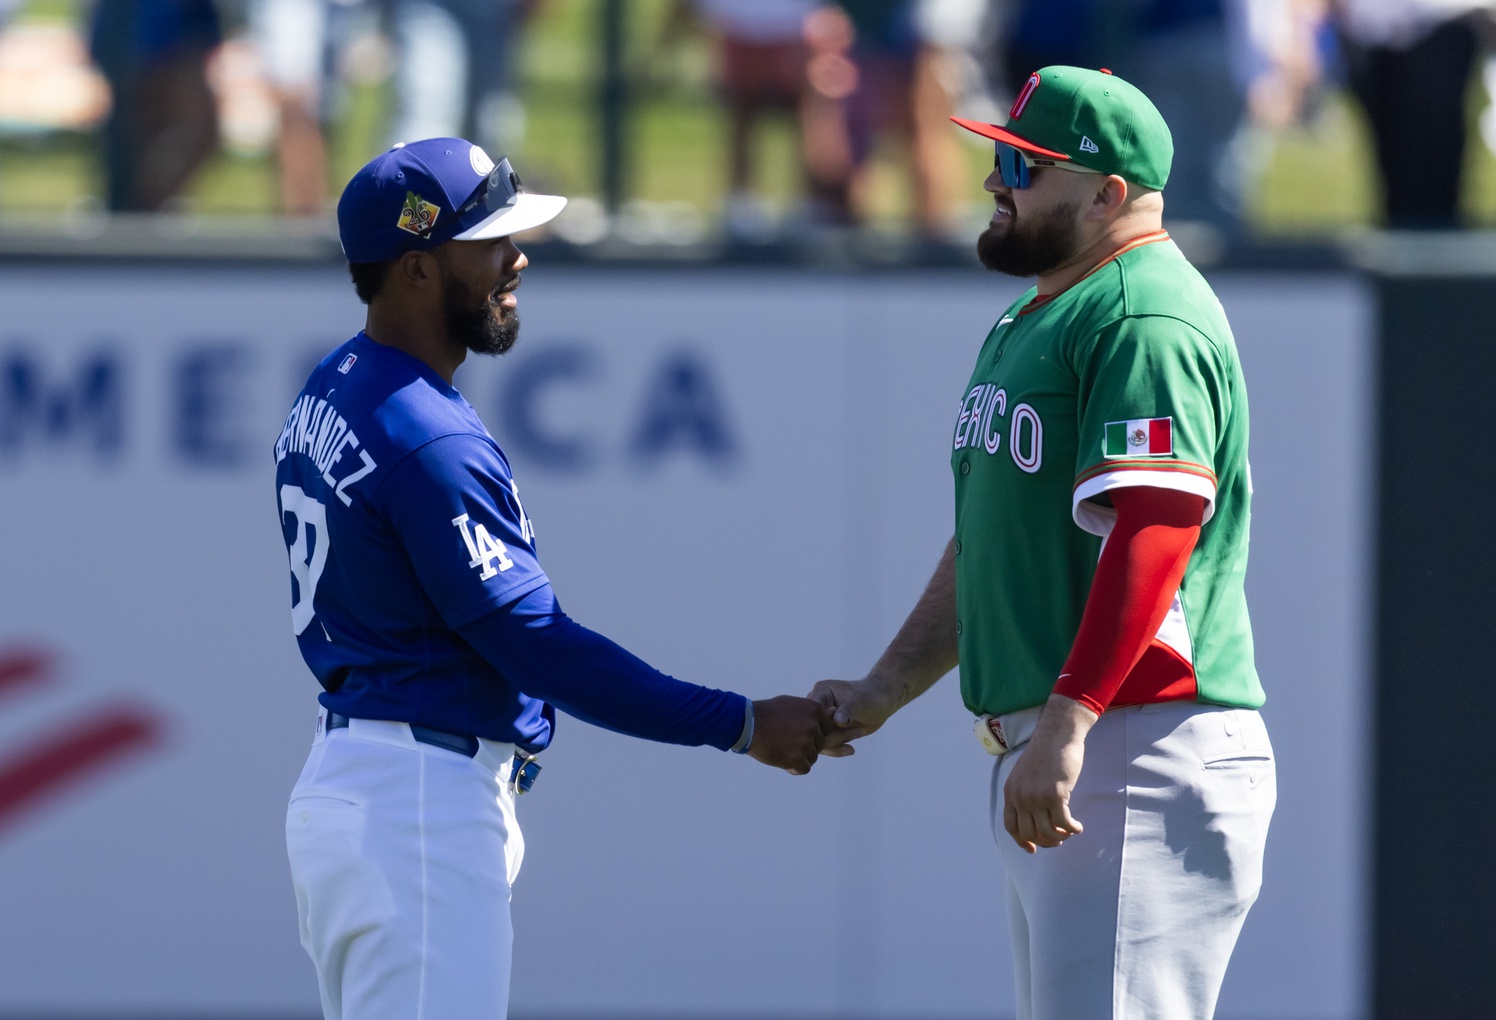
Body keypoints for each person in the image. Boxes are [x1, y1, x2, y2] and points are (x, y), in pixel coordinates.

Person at [276, 137, 831, 1019]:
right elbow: (536, 645)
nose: (517, 258)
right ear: (416, 269)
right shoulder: (426, 434)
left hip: (362, 781)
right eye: (490, 240)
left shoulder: (335, 382)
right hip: (418, 803)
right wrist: (740, 723)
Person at [811, 68, 1275, 1019]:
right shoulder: (1046, 310)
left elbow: (1156, 531)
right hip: (1082, 743)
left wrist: (1067, 726)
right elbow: (991, 536)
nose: (996, 179)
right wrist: (886, 687)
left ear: (1109, 193)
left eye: (1026, 163)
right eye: (998, 154)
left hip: (1133, 740)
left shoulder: (1146, 312)